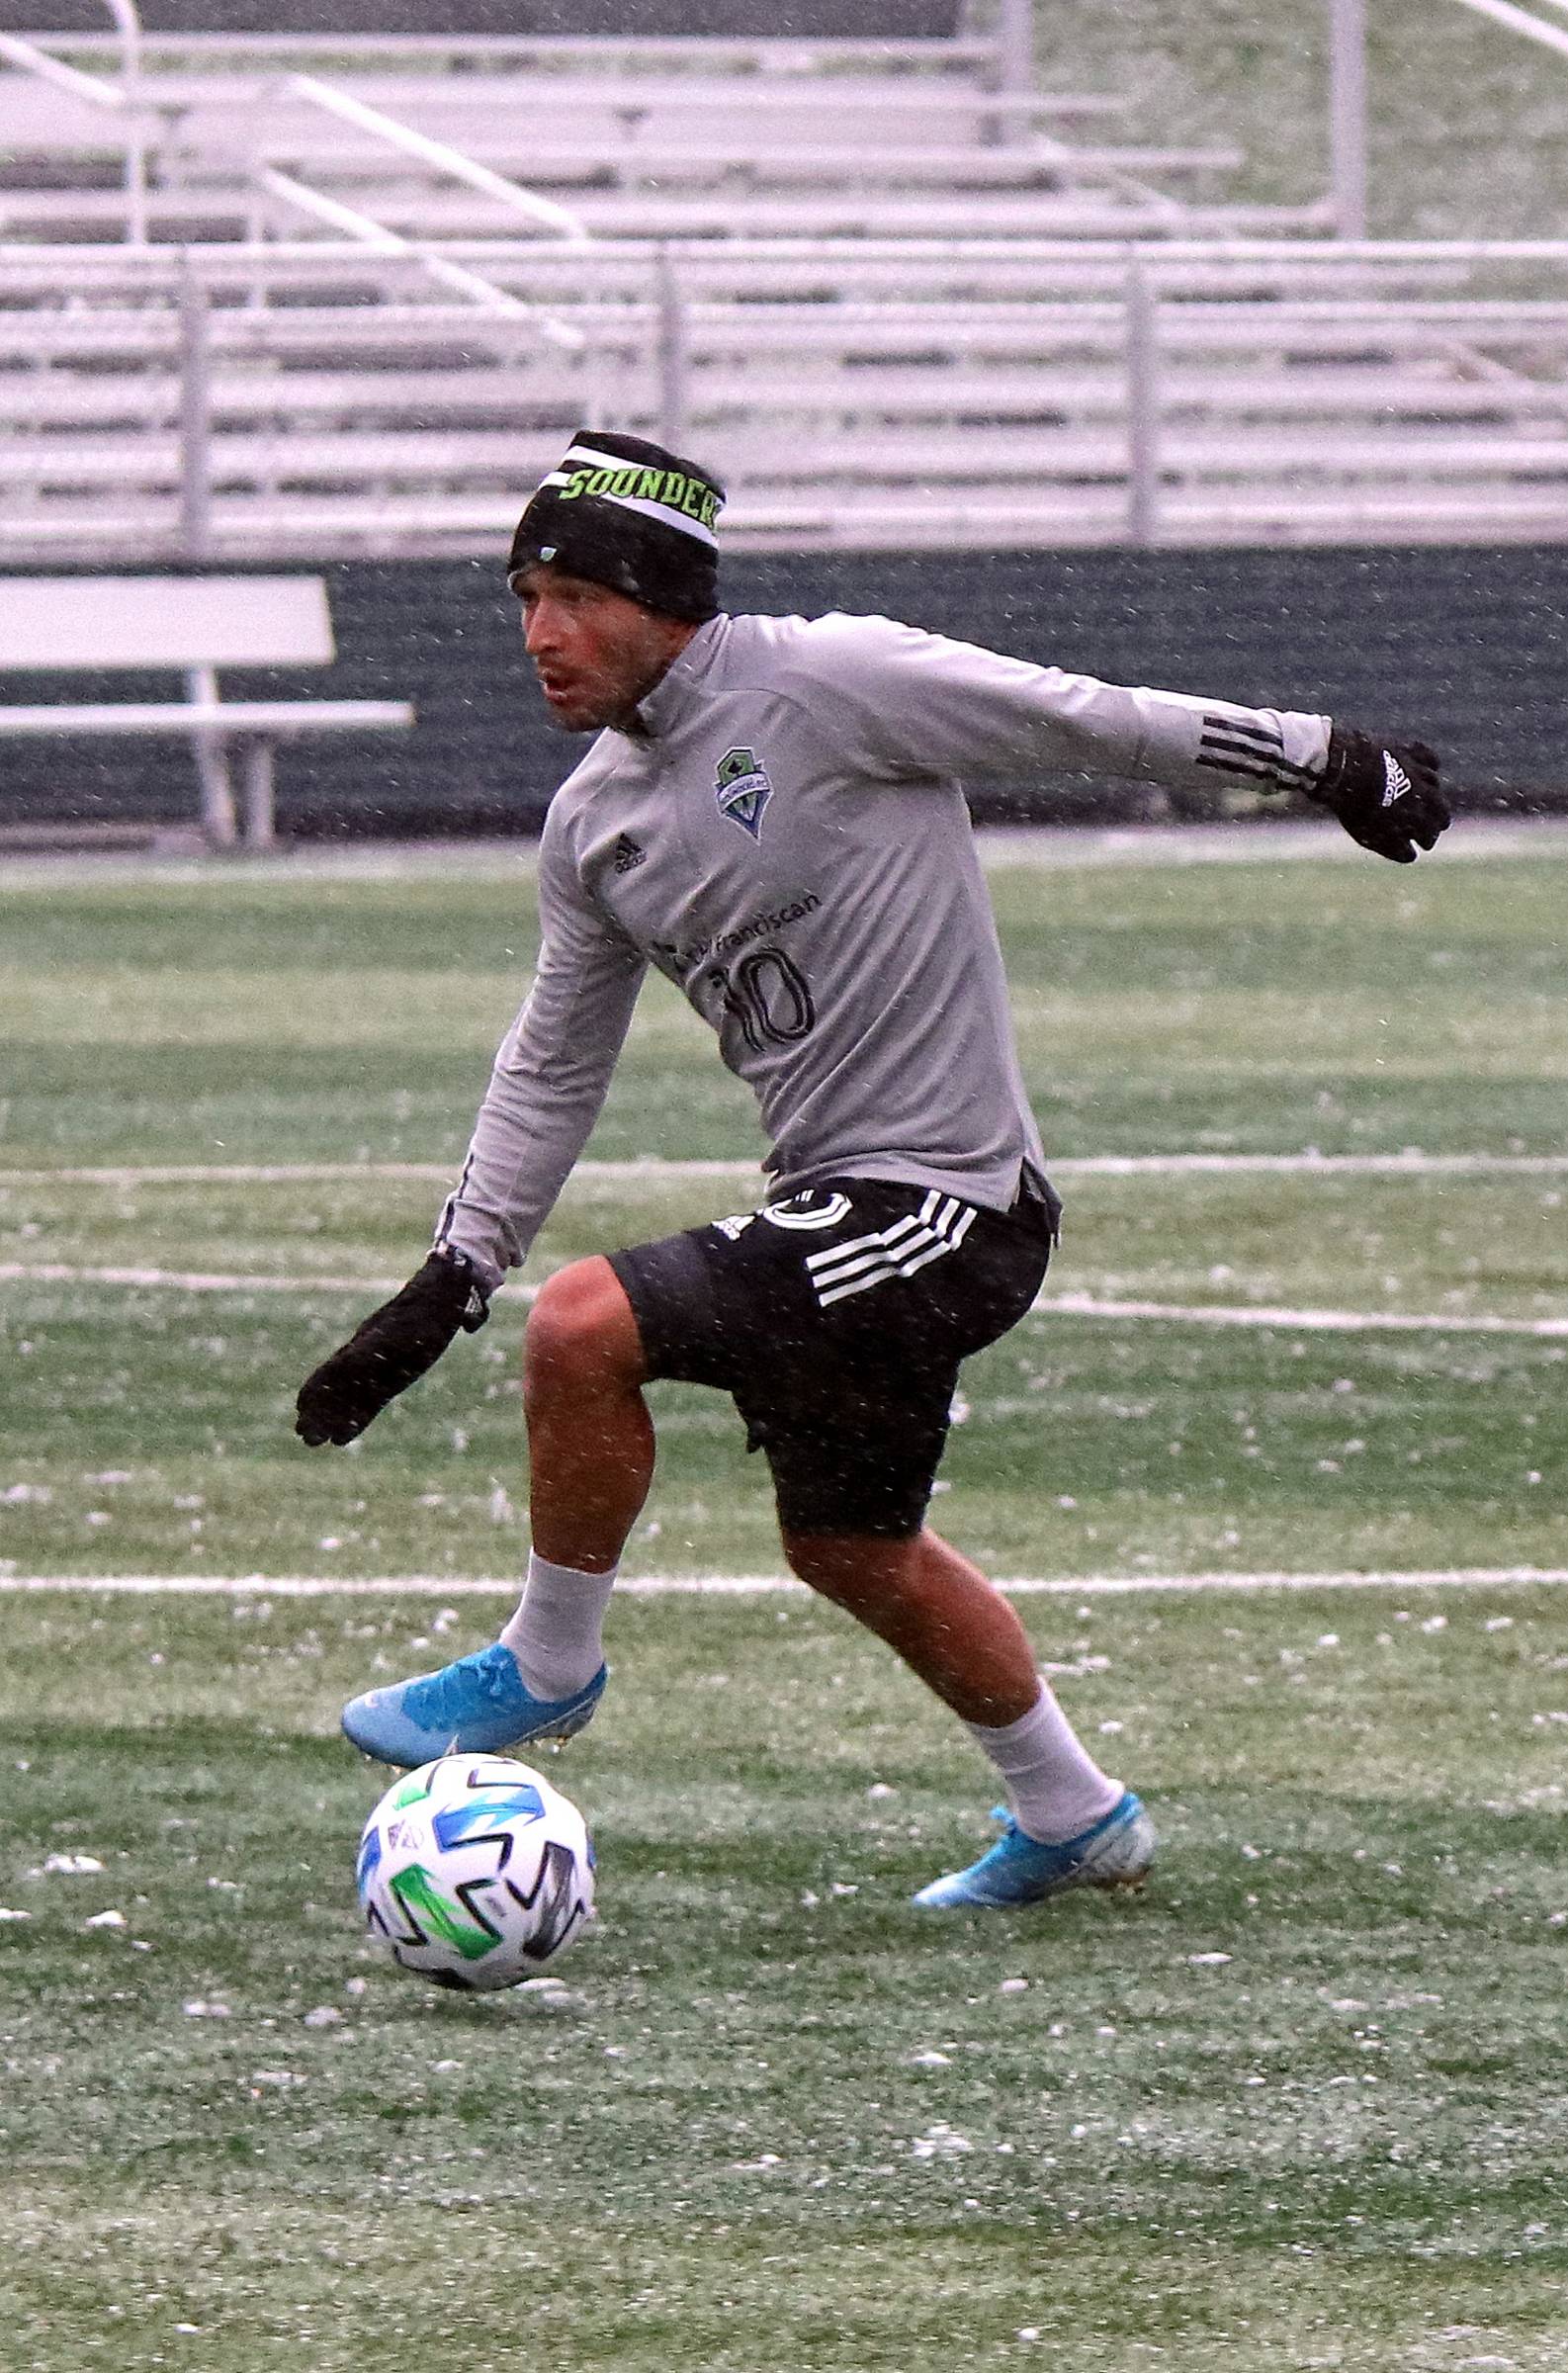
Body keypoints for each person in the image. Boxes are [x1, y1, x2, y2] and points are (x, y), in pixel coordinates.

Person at [296, 428, 1448, 1911]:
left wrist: (1325, 755)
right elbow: (552, 1060)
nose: (542, 634)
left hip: (952, 1204)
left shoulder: (827, 681)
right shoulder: (593, 821)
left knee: (585, 1327)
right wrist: (449, 1270)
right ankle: (1075, 1813)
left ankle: (548, 1661)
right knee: (852, 1547)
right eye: (523, 597)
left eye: (573, 595)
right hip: (838, 1206)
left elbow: (1079, 716)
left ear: (660, 600)